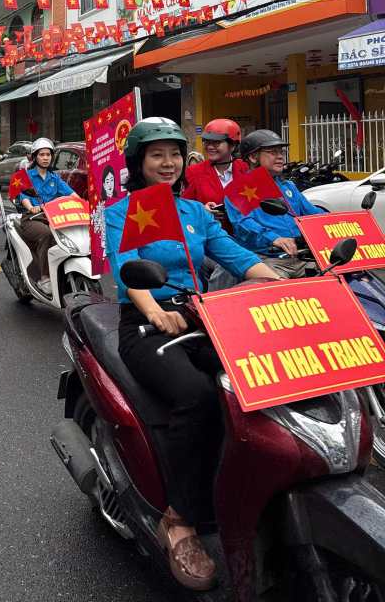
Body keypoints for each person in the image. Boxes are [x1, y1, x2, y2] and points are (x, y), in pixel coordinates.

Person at [104, 117, 277, 591]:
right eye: (157, 154)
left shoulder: (196, 212)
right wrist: (155, 310)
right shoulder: (123, 211)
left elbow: (237, 257)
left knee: (257, 382)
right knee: (197, 396)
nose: (169, 163)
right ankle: (178, 518)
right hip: (146, 323)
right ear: (138, 162)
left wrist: (283, 282)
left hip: (203, 316)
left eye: (175, 154)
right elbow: (126, 268)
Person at [225, 129, 323, 277]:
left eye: (281, 152)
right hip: (267, 259)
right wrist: (274, 238)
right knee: (277, 287)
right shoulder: (239, 190)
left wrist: (338, 222)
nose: (280, 157)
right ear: (253, 157)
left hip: (302, 255)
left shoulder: (288, 186)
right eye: (272, 152)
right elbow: (243, 224)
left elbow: (312, 213)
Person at [16, 137, 75, 296]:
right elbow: (24, 196)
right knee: (46, 235)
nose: (45, 158)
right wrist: (31, 207)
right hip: (32, 218)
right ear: (35, 157)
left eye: (48, 155)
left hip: (53, 217)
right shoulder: (27, 176)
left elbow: (72, 195)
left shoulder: (55, 178)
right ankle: (44, 277)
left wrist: (84, 205)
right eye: (41, 155)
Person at [182, 118, 248, 212]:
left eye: (217, 142)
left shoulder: (245, 168)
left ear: (233, 145)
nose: (210, 147)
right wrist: (203, 210)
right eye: (206, 141)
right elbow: (185, 207)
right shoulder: (194, 172)